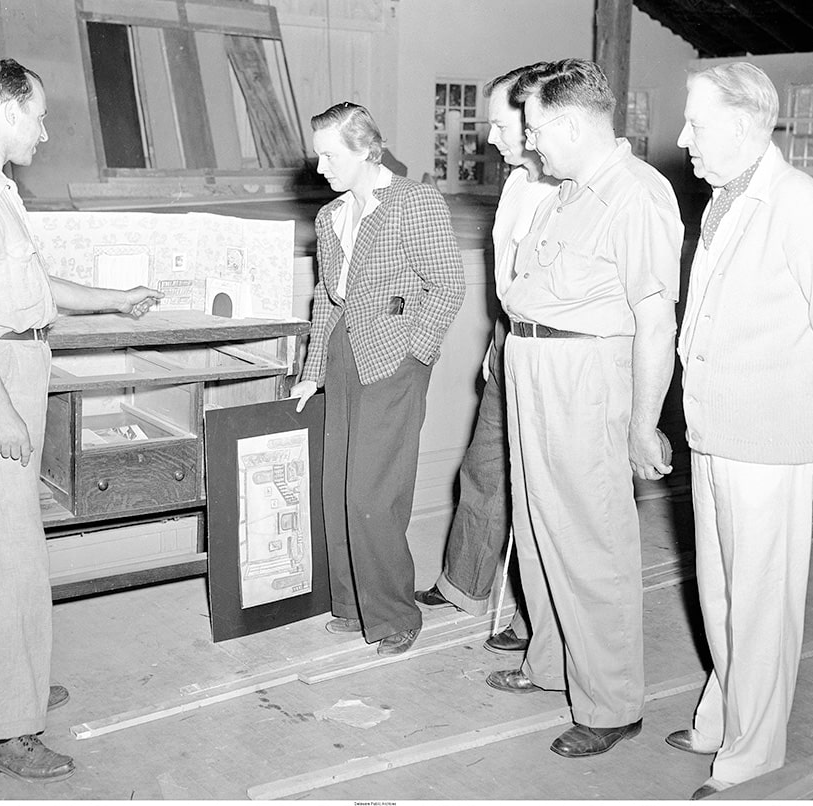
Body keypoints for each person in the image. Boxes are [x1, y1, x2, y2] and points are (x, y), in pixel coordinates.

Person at [0, 59, 163, 782]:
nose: (47, 132)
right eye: (40, 117)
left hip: (7, 365)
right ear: (5, 113)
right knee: (15, 558)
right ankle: (8, 729)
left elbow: (32, 286)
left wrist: (115, 300)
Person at [668, 62, 813, 799]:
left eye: (696, 121)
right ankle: (724, 717)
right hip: (717, 429)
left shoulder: (796, 203)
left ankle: (755, 751)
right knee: (721, 592)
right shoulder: (724, 199)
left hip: (772, 437)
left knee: (759, 600)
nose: (683, 136)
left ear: (747, 123)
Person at [489, 59, 683, 759]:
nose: (531, 143)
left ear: (570, 123)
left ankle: (611, 703)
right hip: (532, 362)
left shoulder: (635, 196)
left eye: (537, 128)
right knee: (539, 522)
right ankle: (551, 665)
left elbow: (654, 321)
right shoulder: (570, 190)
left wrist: (641, 421)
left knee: (592, 539)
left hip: (584, 372)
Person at [291, 102, 465, 656]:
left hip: (393, 357)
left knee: (374, 492)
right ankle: (352, 604)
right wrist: (311, 370)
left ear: (368, 149)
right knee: (338, 483)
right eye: (317, 156)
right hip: (343, 353)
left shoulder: (415, 202)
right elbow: (326, 297)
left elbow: (448, 284)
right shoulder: (331, 216)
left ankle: (393, 615)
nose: (320, 169)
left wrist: (416, 353)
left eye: (329, 155)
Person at [414, 64, 559, 655]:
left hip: (550, 351)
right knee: (483, 468)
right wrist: (495, 347)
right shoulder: (519, 185)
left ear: (534, 123)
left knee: (539, 490)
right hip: (509, 341)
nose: (490, 139)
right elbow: (507, 280)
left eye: (500, 126)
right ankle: (465, 584)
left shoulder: (563, 189)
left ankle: (534, 614)